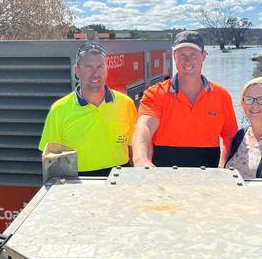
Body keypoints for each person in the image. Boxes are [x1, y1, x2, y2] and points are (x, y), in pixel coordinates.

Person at [132, 30, 238, 168]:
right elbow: (144, 126)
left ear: (204, 56)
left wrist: (224, 166)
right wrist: (141, 159)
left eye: (193, 54)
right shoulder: (155, 94)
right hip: (162, 178)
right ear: (174, 56)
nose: (187, 60)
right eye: (182, 55)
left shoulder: (221, 95)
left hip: (208, 179)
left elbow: (230, 138)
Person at [38, 42, 137, 176]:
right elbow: (50, 158)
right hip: (78, 184)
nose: (95, 73)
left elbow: (134, 149)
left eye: (100, 67)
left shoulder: (126, 104)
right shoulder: (59, 109)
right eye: (88, 66)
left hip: (120, 179)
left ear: (107, 69)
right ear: (77, 70)